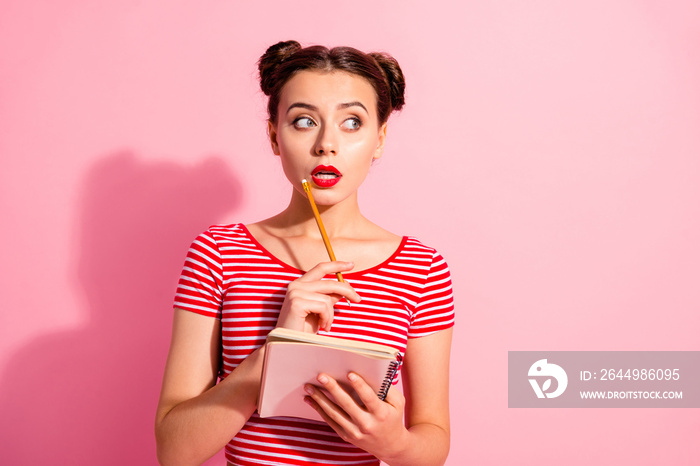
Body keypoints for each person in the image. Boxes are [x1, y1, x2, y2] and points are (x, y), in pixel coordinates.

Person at [155, 40, 455, 466]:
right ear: (274, 136)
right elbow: (174, 451)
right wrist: (278, 350)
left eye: (352, 122)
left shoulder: (421, 269)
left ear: (380, 139)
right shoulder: (219, 252)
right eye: (302, 122)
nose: (326, 144)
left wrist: (394, 443)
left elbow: (433, 443)